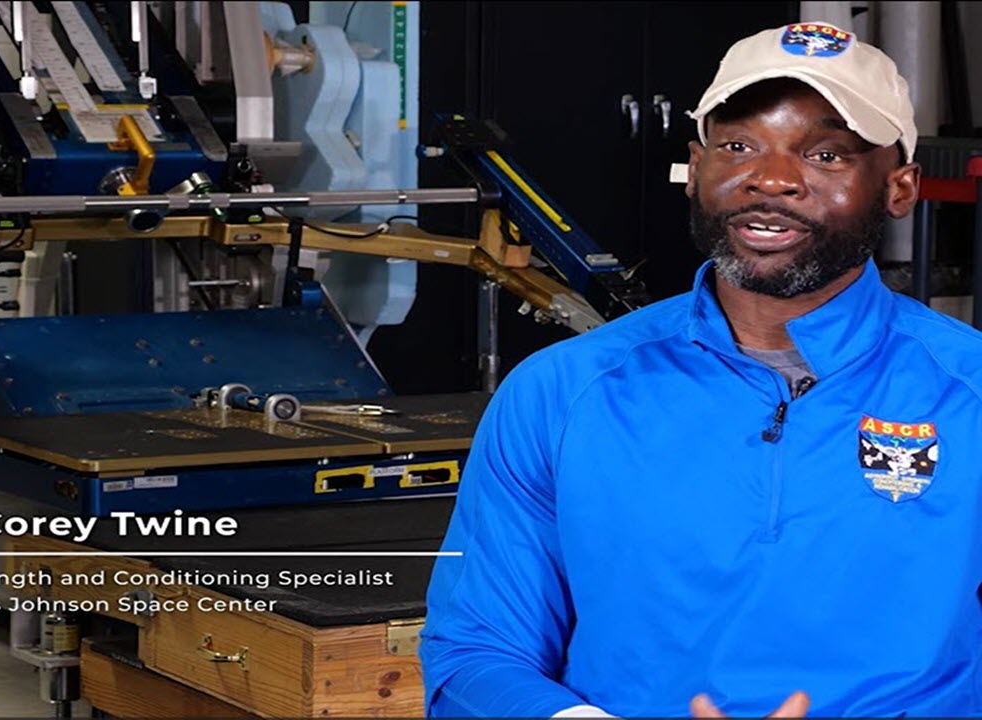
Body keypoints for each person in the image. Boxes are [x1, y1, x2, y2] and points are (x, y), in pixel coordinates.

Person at [420, 21, 982, 718]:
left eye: (828, 153)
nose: (771, 179)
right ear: (696, 166)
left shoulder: (969, 392)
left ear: (900, 188)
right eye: (738, 145)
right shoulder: (560, 393)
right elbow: (474, 652)